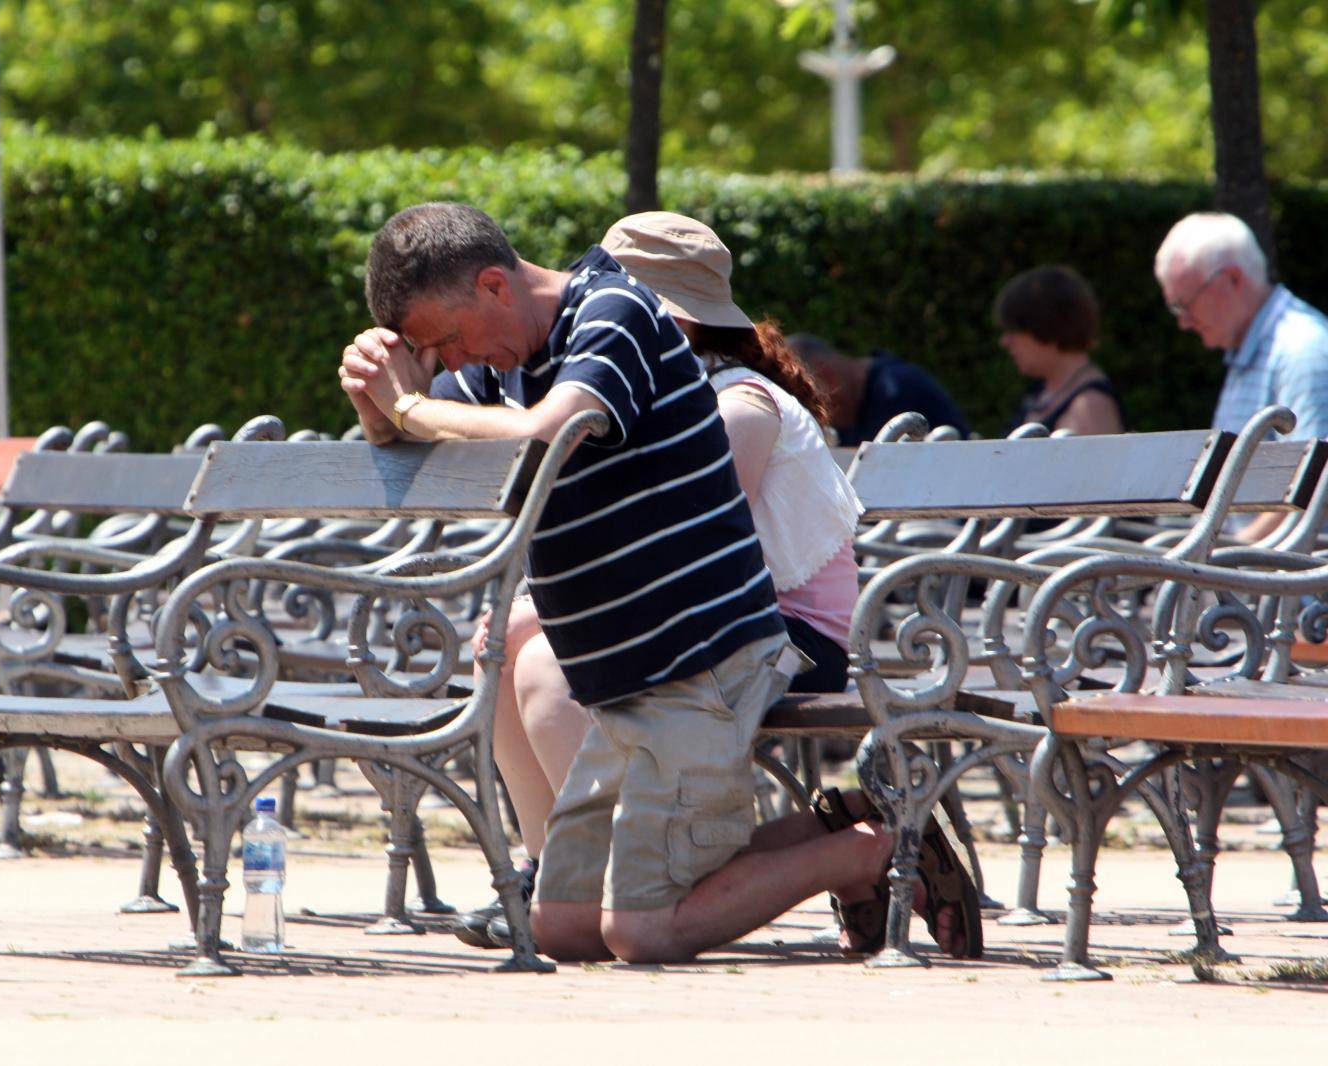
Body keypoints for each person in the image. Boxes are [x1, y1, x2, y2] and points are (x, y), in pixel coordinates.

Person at [338, 203, 977, 964]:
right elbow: (435, 442)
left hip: (699, 665)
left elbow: (550, 436)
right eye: (432, 351)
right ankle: (844, 828)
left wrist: (410, 405)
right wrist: (377, 402)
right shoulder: (508, 357)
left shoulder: (613, 312)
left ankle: (872, 852)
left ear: (493, 287)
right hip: (621, 681)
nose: (448, 360)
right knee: (560, 927)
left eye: (446, 339)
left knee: (641, 933)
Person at [1156, 212, 1328, 541]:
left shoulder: (1301, 349)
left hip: (1282, 584)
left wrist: (1215, 556)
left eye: (1186, 304)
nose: (1184, 322)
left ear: (1233, 279)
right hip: (1246, 579)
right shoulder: (1249, 348)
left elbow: (1318, 483)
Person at [994, 265, 1126, 435]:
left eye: (1014, 330)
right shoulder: (1042, 393)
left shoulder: (1091, 404)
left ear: (1045, 326)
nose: (1005, 341)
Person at [790, 335, 972, 445]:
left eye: (807, 403)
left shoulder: (898, 390)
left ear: (828, 375)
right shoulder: (856, 405)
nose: (820, 419)